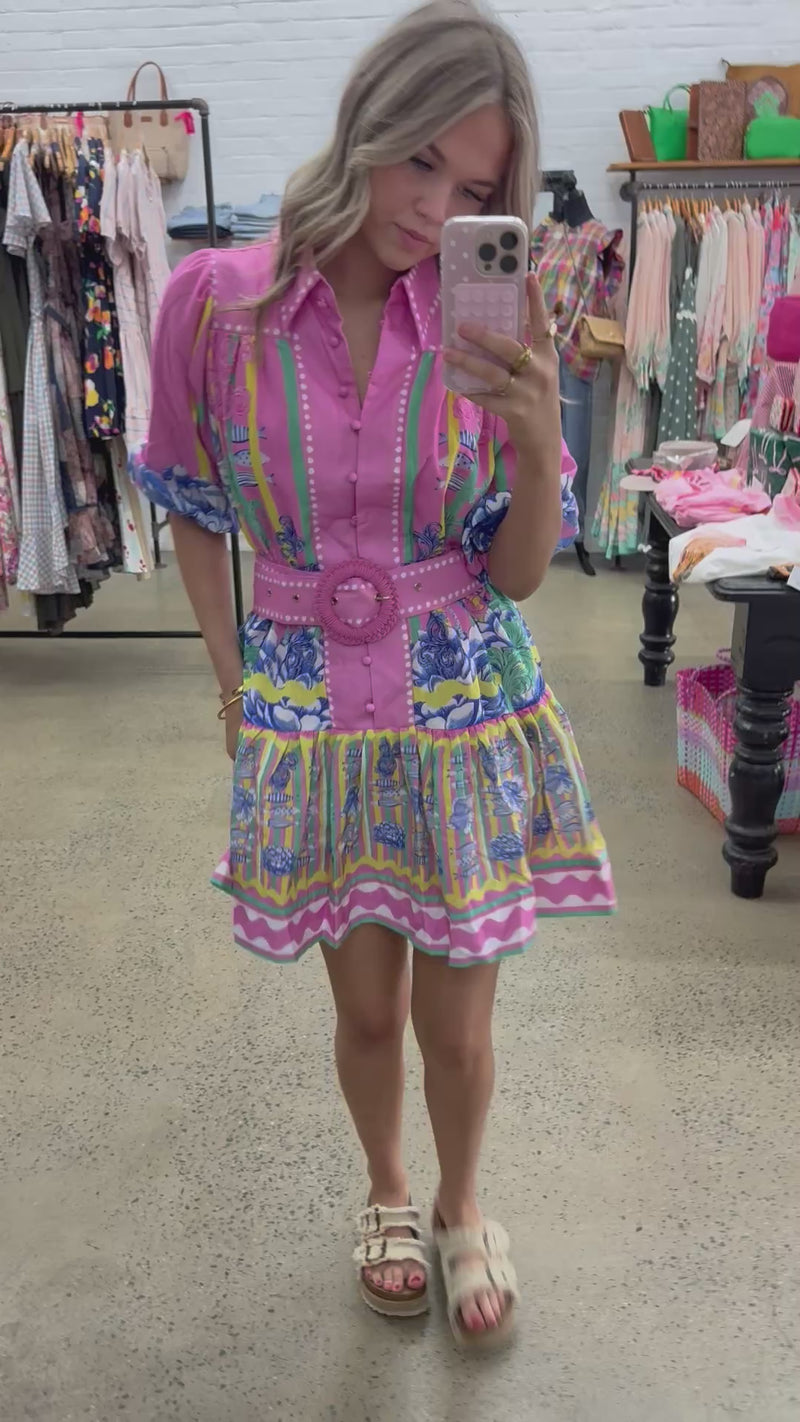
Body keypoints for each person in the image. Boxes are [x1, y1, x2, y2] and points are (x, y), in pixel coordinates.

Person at [131, 0, 615, 1350]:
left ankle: (462, 1203)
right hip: (308, 708)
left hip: (462, 696)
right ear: (367, 123)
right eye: (421, 162)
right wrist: (233, 685)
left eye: (473, 188)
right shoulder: (216, 305)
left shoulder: (489, 311)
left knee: (457, 1021)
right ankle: (388, 1189)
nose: (434, 209)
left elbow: (519, 571)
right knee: (365, 1009)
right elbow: (192, 504)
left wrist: (536, 438)